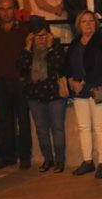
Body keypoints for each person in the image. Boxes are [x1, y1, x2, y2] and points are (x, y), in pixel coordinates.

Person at [66, 10, 102, 178]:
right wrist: (71, 81)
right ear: (78, 25)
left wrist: (82, 82)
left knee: (99, 127)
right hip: (79, 90)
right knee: (83, 127)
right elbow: (67, 65)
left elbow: (100, 66)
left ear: (96, 24)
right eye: (84, 21)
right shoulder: (74, 43)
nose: (87, 24)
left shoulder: (101, 42)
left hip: (96, 88)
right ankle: (87, 161)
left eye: (91, 21)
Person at [0, 0, 32, 170]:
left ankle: (25, 156)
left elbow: (30, 55)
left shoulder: (23, 29)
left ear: (15, 9)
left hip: (19, 81)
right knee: (4, 120)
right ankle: (8, 156)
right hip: (0, 81)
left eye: (9, 8)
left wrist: (24, 76)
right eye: (2, 8)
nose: (6, 12)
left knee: (23, 119)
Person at [18, 17, 69, 173]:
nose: (40, 39)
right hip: (35, 96)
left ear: (49, 34)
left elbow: (59, 65)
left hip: (55, 95)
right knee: (41, 129)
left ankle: (60, 160)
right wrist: (27, 47)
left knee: (57, 128)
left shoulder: (56, 47)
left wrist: (50, 47)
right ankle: (48, 159)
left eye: (43, 35)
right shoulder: (28, 50)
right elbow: (21, 67)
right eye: (37, 36)